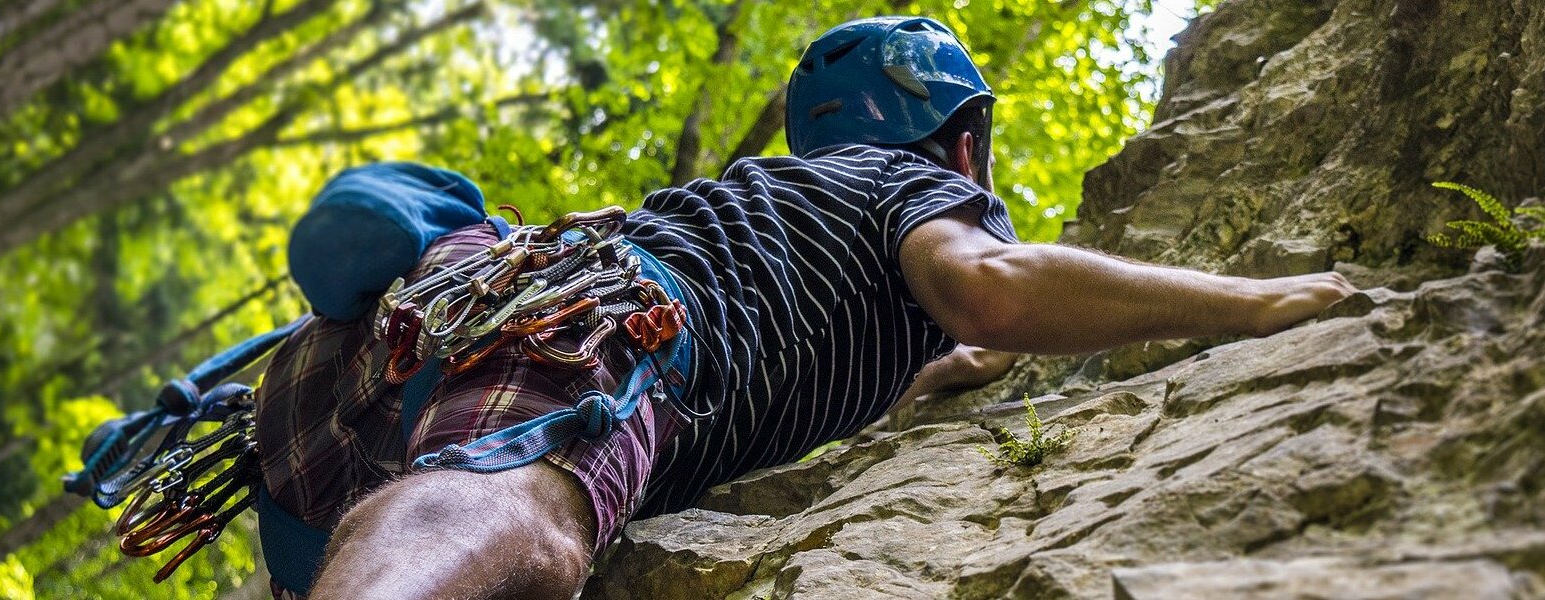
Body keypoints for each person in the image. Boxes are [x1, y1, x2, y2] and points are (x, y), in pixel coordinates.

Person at [256, 16, 1355, 599]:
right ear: (961, 144)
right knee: (523, 526)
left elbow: (835, 356)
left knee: (441, 535)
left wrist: (938, 373)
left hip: (368, 370)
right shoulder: (913, 185)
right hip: (594, 332)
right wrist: (1253, 302)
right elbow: (990, 287)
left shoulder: (786, 225)